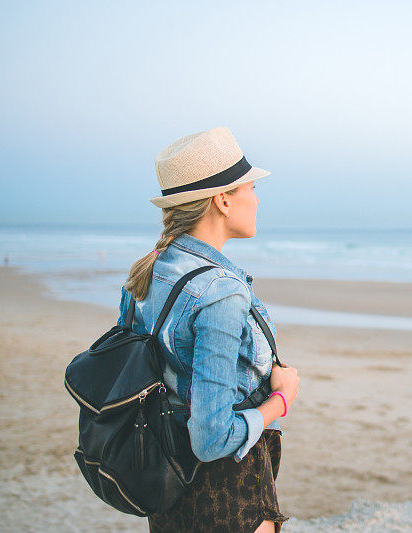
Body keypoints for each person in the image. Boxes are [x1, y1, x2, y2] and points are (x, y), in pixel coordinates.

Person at [118, 127, 299, 533]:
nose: (256, 198)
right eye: (250, 187)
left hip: (166, 486)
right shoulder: (219, 293)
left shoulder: (150, 270)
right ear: (222, 200)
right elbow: (212, 438)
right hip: (226, 497)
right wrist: (282, 399)